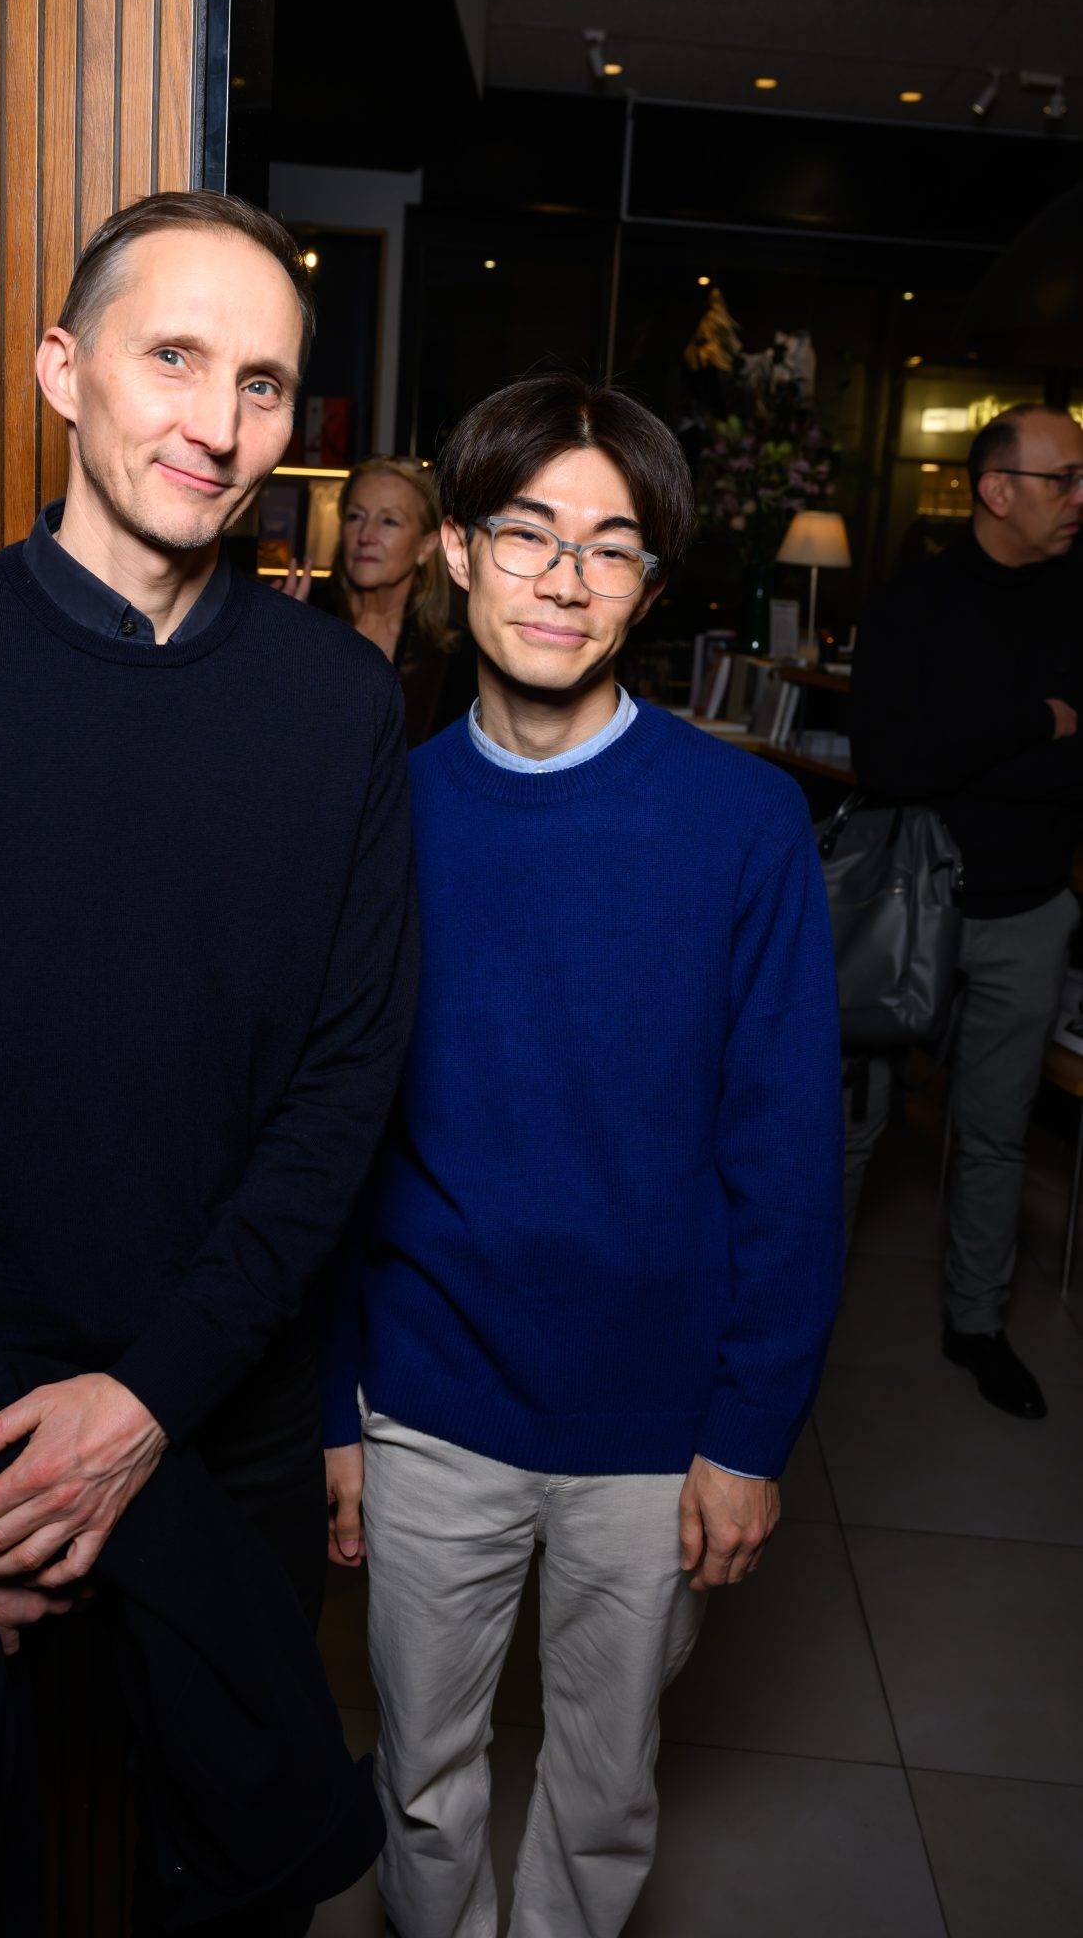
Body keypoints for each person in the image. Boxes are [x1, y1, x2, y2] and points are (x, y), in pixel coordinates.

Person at [0, 190, 417, 1937]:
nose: (215, 421)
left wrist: (150, 1400)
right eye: (171, 355)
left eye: (261, 382)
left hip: (221, 1394)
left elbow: (349, 1085)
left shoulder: (338, 708)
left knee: (237, 1864)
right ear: (63, 368)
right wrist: (2, 1465)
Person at [320, 374, 844, 1938]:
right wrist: (337, 1397)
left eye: (609, 549)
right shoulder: (379, 816)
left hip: (652, 1418)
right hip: (425, 1401)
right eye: (526, 532)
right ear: (457, 555)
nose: (563, 577)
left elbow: (787, 1153)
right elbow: (330, 1130)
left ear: (648, 588)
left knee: (604, 1786)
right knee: (421, 1774)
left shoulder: (741, 828)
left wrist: (750, 1429)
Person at [849, 402, 1083, 1420]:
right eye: (1064, 478)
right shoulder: (917, 603)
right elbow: (891, 762)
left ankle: (976, 1323)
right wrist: (1036, 722)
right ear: (996, 490)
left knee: (995, 1133)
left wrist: (981, 742)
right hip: (910, 906)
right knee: (849, 1125)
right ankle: (786, 1314)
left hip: (1032, 907)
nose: (1082, 498)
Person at [278, 455, 476, 745]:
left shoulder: (452, 650)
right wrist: (271, 646)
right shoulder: (301, 617)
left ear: (426, 546)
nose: (366, 536)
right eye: (355, 516)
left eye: (389, 521)